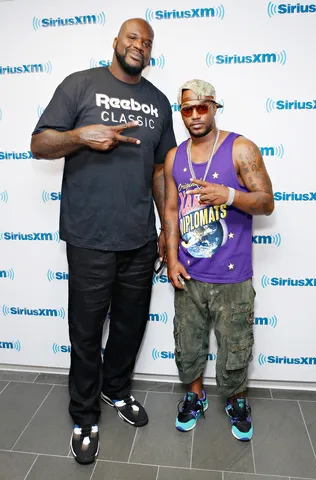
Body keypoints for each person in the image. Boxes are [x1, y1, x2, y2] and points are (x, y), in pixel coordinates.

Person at [31, 18, 176, 464]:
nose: (139, 45)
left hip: (137, 237)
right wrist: (80, 136)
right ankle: (84, 414)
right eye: (133, 37)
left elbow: (158, 171)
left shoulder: (158, 102)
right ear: (115, 42)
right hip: (90, 235)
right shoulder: (79, 85)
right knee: (87, 330)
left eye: (147, 42)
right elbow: (38, 143)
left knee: (130, 326)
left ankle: (115, 391)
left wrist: (164, 231)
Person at [164, 79, 274, 441]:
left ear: (214, 107)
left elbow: (266, 201)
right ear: (181, 112)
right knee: (189, 343)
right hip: (189, 273)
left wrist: (228, 194)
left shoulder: (240, 148)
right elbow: (170, 208)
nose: (194, 115)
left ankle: (236, 400)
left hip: (233, 276)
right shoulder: (174, 156)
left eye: (202, 107)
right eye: (186, 109)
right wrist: (171, 257)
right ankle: (194, 397)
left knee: (236, 344)